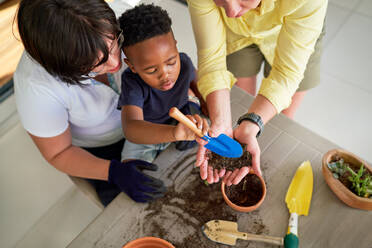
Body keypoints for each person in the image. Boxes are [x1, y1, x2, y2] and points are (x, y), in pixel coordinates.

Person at [14, 0, 166, 206]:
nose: (116, 63)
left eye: (115, 45)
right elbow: (59, 152)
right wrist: (114, 172)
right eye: (96, 64)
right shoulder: (35, 85)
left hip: (154, 115)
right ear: (62, 68)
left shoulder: (126, 16)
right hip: (106, 152)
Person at [187, 0, 327, 185]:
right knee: (242, 103)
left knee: (282, 119)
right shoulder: (230, 12)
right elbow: (212, 62)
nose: (231, 11)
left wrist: (255, 122)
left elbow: (286, 74)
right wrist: (222, 122)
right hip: (237, 34)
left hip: (295, 28)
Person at [117, 4, 208, 163]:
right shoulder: (132, 82)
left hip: (183, 118)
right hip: (148, 131)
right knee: (131, 168)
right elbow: (131, 127)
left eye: (171, 62)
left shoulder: (185, 62)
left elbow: (199, 88)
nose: (165, 75)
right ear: (132, 66)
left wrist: (205, 108)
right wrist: (173, 133)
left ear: (175, 45)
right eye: (151, 70)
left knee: (207, 129)